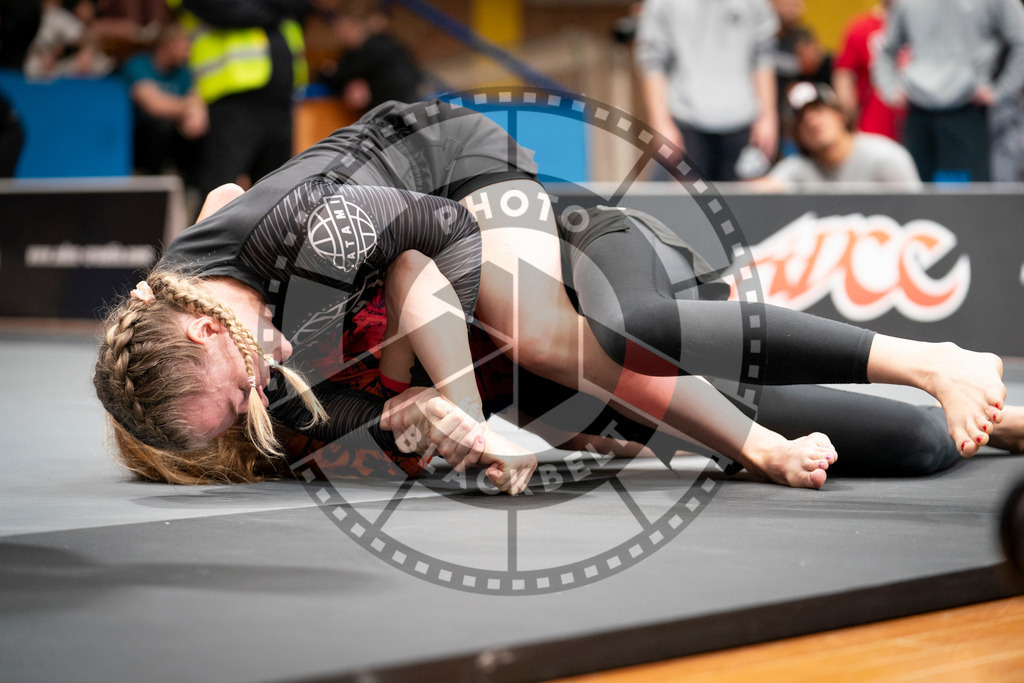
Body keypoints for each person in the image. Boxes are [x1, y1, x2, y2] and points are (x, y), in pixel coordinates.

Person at [94, 100, 1007, 495]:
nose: (272, 376)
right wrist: (449, 423)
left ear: (197, 317)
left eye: (248, 367)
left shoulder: (292, 232)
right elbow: (216, 210)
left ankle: (931, 357)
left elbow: (431, 247)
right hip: (505, 322)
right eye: (248, 404)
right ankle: (996, 419)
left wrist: (458, 406)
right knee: (914, 444)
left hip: (454, 168)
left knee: (556, 331)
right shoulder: (268, 383)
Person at [872, 0, 1024, 182]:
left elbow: (1020, 40)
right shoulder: (906, 3)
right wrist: (890, 88)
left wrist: (1001, 91)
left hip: (968, 112)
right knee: (917, 196)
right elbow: (887, 50)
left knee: (966, 200)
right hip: (918, 112)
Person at [170, 0, 308, 200]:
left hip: (281, 101)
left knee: (278, 196)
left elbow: (299, 5)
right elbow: (231, 12)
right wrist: (276, 9)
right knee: (219, 192)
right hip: (234, 102)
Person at [634, 0, 780, 180]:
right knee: (685, 206)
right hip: (686, 124)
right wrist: (661, 123)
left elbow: (764, 56)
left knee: (745, 204)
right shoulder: (662, 4)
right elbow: (652, 61)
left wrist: (768, 117)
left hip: (743, 124)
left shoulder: (755, 3)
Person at [754, 81, 921, 190]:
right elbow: (755, 192)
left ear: (841, 115)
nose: (812, 122)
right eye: (802, 121)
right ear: (797, 136)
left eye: (819, 111)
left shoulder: (885, 157)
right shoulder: (801, 168)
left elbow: (919, 210)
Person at [120, 22, 206, 181]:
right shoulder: (139, 64)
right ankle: (151, 178)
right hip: (136, 137)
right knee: (162, 126)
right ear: (168, 44)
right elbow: (154, 106)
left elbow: (197, 101)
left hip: (173, 137)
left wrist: (194, 114)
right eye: (184, 46)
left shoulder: (183, 71)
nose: (188, 52)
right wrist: (188, 107)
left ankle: (191, 184)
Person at [315, 1, 421, 114]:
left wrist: (327, 72)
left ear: (350, 25)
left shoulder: (371, 48)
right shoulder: (385, 44)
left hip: (396, 115)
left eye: (341, 26)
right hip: (402, 112)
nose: (339, 33)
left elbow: (338, 77)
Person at [832, 1, 905, 142]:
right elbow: (843, 79)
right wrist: (847, 126)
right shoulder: (861, 29)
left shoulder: (922, 29)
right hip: (873, 131)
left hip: (919, 128)